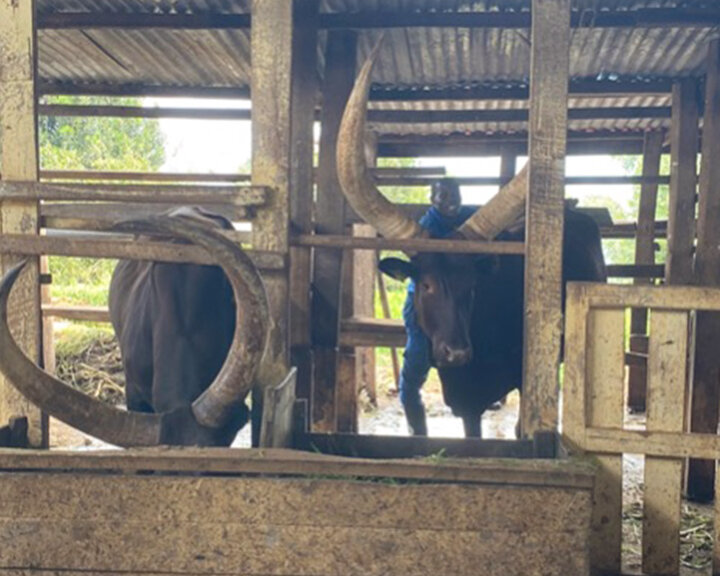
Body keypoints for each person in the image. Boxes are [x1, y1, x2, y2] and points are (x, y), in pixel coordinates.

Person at [400, 178, 475, 435]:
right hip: (426, 307)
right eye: (443, 196)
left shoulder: (465, 218)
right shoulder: (427, 226)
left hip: (455, 304)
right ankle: (417, 434)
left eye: (455, 195)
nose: (451, 201)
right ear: (433, 200)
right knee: (416, 362)